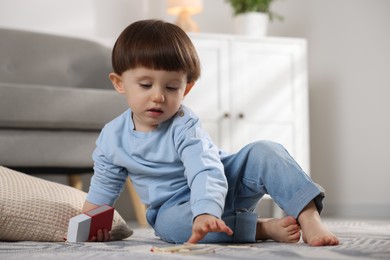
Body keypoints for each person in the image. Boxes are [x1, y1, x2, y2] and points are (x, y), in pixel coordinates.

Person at [82, 19, 339, 246]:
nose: (158, 96)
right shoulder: (112, 138)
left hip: (222, 180)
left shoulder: (185, 124)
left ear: (187, 89)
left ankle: (308, 216)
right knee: (170, 226)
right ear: (119, 83)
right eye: (146, 85)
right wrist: (88, 228)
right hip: (175, 207)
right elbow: (103, 187)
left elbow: (205, 170)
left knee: (265, 150)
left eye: (172, 87)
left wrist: (206, 210)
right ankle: (260, 228)